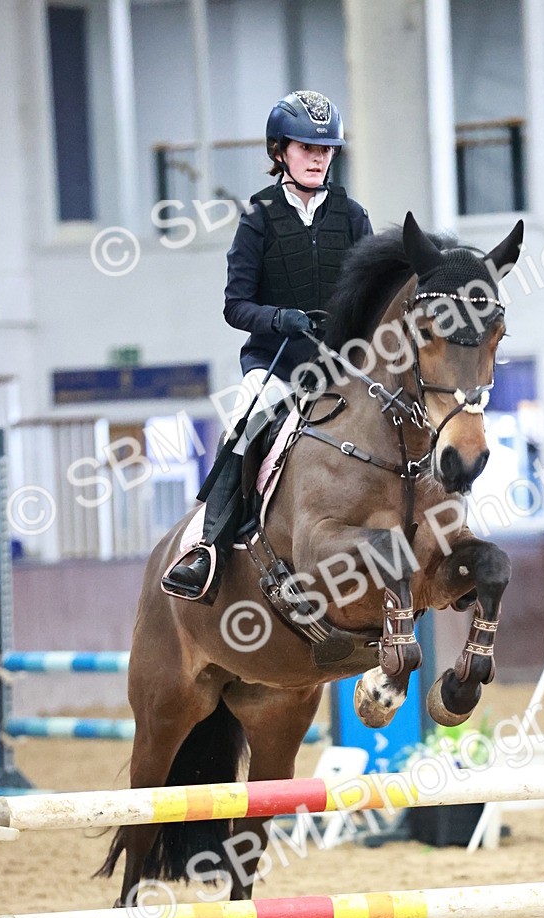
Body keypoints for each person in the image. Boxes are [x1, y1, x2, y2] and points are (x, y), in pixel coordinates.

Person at [162, 90, 372, 603]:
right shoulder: (258, 218)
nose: (318, 158)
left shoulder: (352, 216)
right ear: (281, 151)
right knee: (243, 427)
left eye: (325, 149)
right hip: (277, 365)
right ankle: (207, 550)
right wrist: (280, 318)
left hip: (341, 366)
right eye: (306, 148)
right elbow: (236, 305)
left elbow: (373, 293)